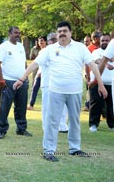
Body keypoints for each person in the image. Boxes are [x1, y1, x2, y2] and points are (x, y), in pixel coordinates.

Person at [14, 21, 107, 162]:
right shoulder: (49, 49)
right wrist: (21, 79)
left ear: (70, 32)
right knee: (52, 121)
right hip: (55, 91)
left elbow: (93, 66)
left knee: (75, 121)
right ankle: (48, 150)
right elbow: (35, 64)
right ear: (57, 34)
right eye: (59, 31)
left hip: (74, 91)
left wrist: (100, 84)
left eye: (65, 31)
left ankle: (75, 148)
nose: (62, 33)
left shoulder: (80, 48)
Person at [0, 26, 32, 139]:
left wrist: (25, 77)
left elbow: (24, 63)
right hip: (8, 81)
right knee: (4, 107)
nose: (18, 35)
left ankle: (21, 129)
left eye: (19, 33)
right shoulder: (4, 47)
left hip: (21, 81)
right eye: (15, 33)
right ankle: (2, 130)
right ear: (9, 33)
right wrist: (1, 80)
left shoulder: (21, 46)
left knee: (21, 106)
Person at [88, 34, 114, 132]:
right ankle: (93, 124)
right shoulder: (96, 52)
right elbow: (98, 60)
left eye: (107, 40)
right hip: (98, 82)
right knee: (96, 105)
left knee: (111, 106)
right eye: (102, 40)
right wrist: (107, 63)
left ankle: (112, 125)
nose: (104, 42)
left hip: (111, 83)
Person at [27, 36, 47, 110]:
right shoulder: (40, 51)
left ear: (45, 42)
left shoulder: (47, 51)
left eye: (42, 41)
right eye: (39, 41)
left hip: (45, 74)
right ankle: (31, 105)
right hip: (39, 73)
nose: (40, 42)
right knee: (34, 88)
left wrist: (42, 72)